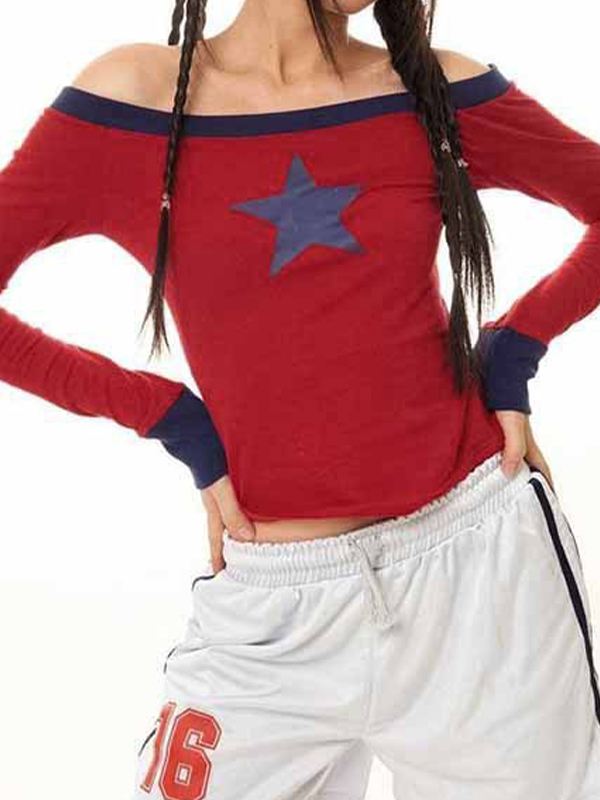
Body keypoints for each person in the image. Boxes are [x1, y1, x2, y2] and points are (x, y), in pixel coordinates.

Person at [1, 0, 599, 797]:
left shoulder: (429, 91)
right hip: (270, 617)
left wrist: (516, 346)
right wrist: (165, 414)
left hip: (480, 577)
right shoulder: (136, 103)